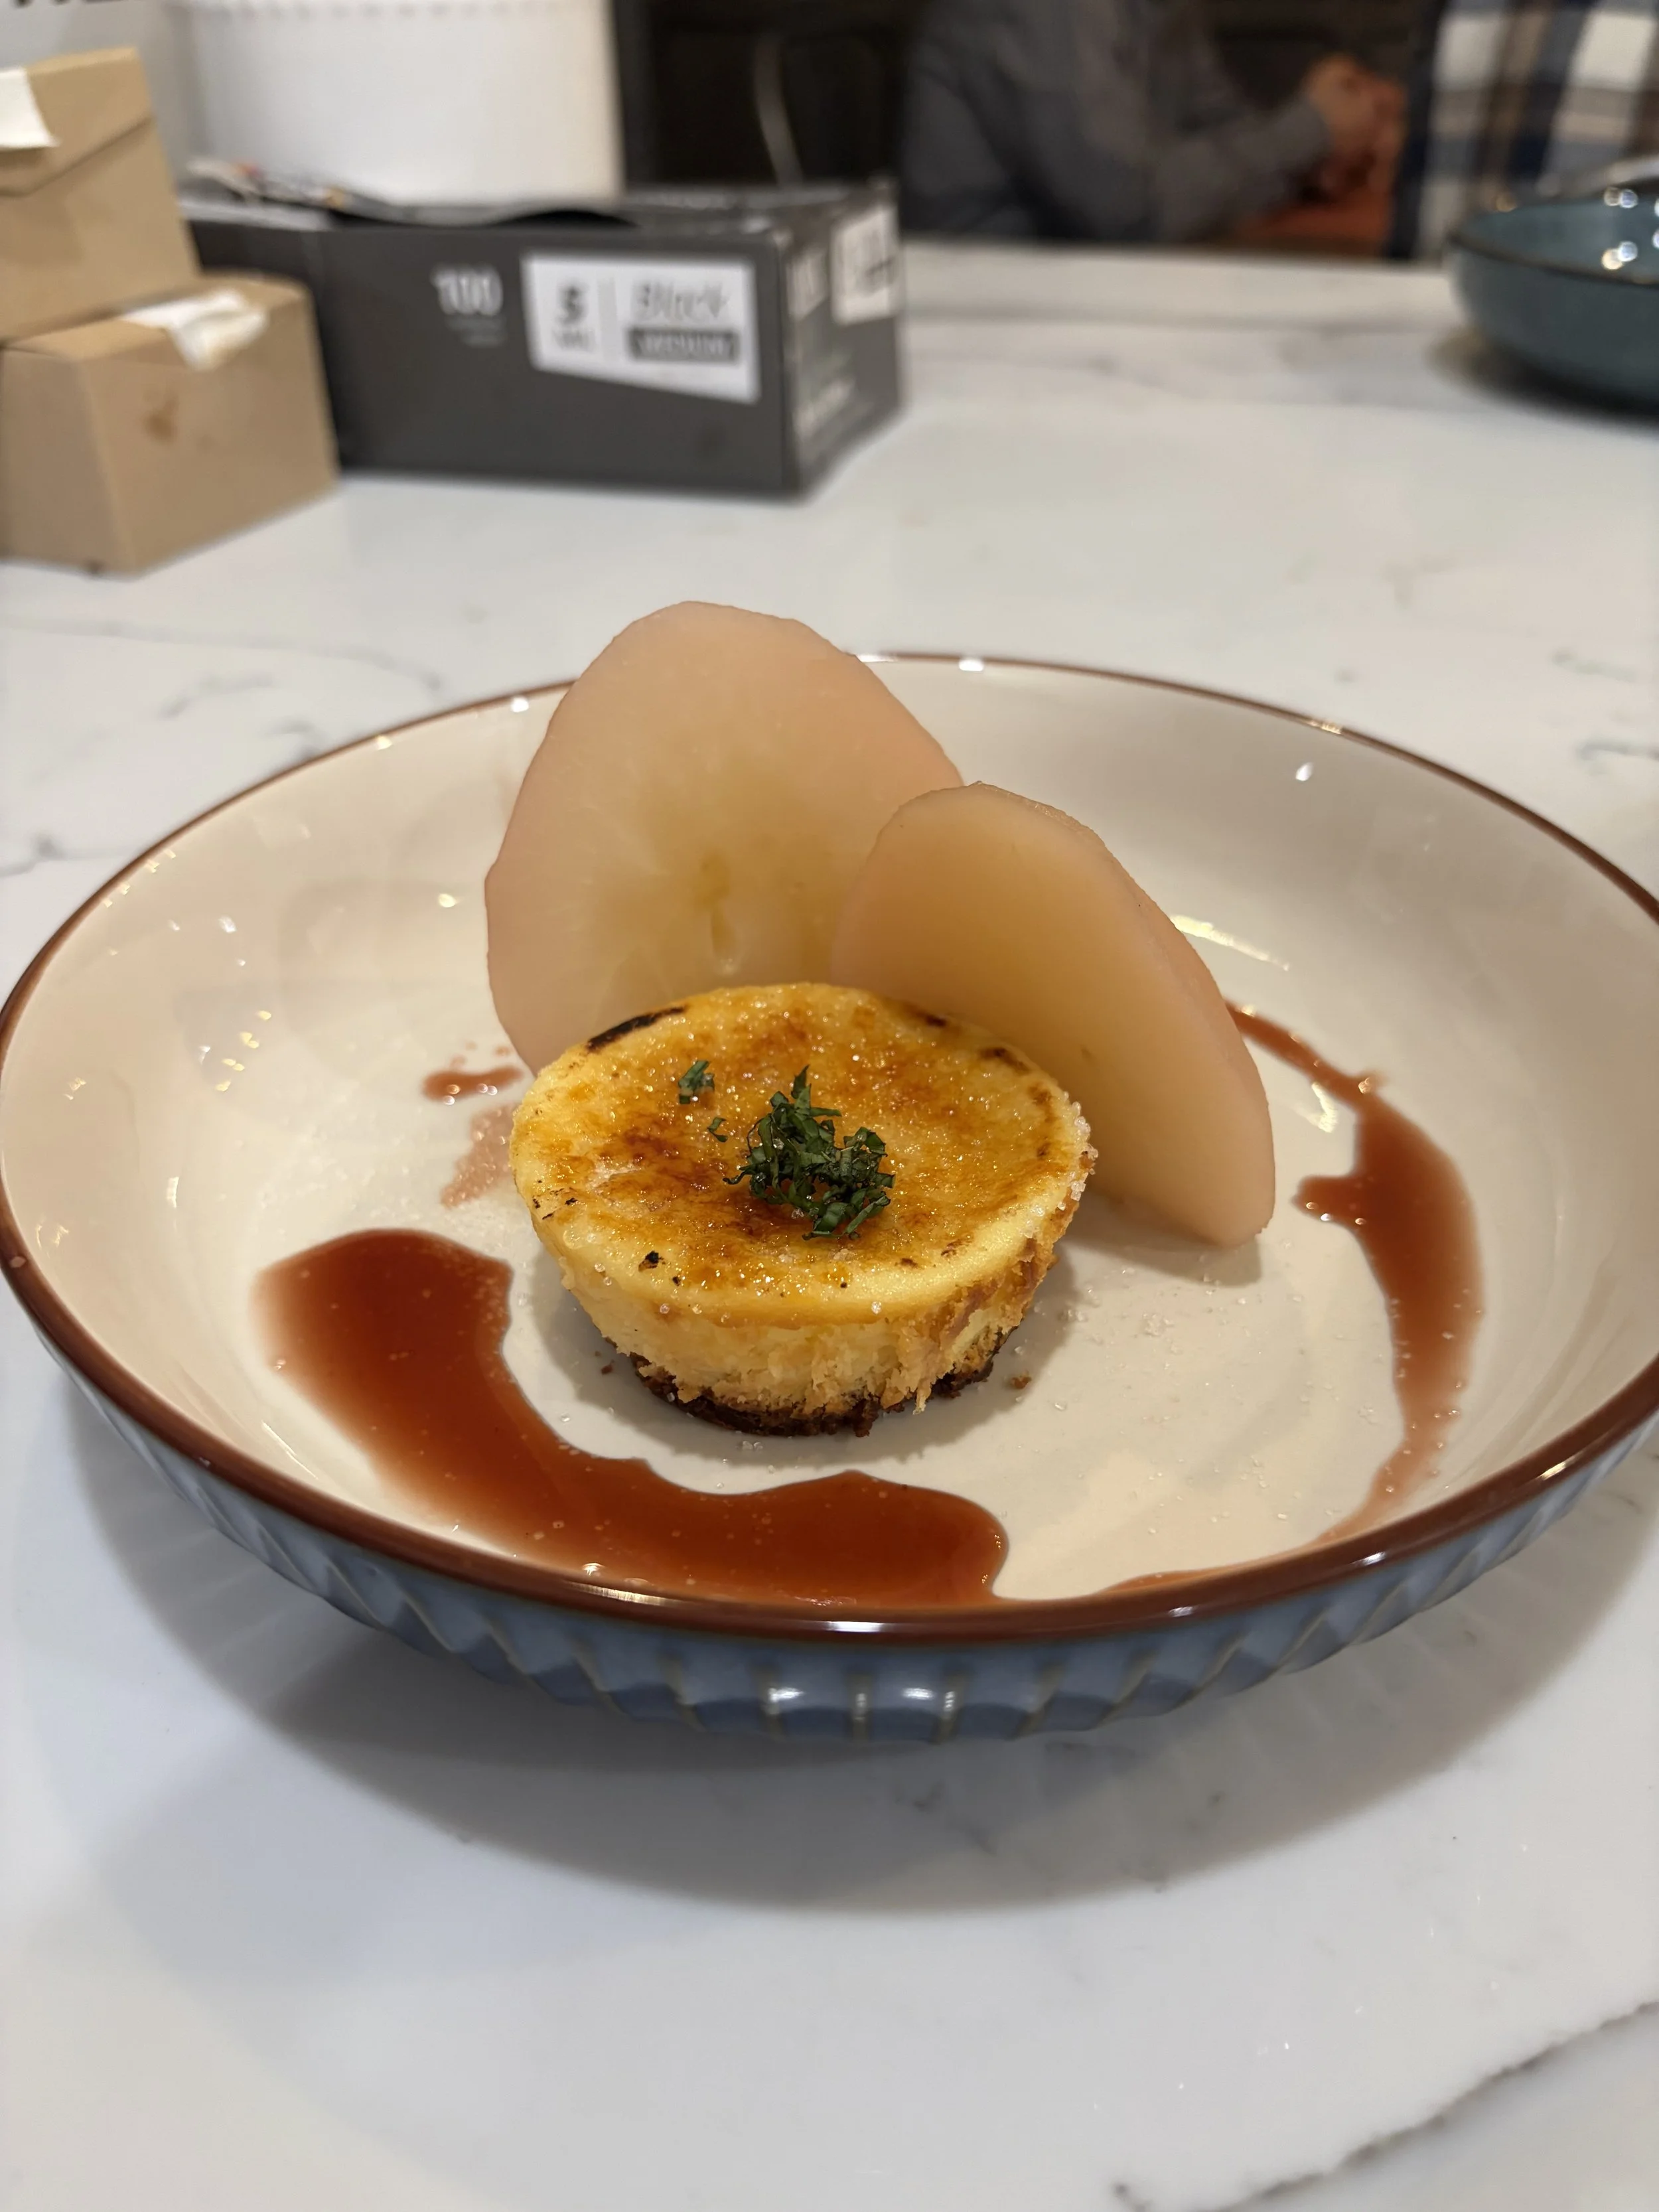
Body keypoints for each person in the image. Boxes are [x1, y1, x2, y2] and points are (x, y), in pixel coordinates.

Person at [901, 0, 1402, 243]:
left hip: (1097, 299)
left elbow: (1224, 136)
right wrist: (1309, 131)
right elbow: (1127, 213)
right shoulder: (1038, 9)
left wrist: (1325, 156)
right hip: (985, 332)